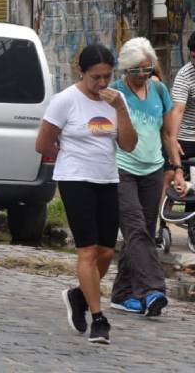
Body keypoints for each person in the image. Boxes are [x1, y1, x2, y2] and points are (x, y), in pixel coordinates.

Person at [36, 44, 137, 344]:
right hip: (75, 179)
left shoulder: (116, 101)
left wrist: (119, 108)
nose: (102, 84)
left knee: (107, 252)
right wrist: (69, 156)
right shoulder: (65, 100)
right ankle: (98, 318)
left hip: (106, 179)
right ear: (81, 72)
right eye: (96, 77)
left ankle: (78, 295)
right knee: (88, 251)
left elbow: (129, 145)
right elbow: (43, 144)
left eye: (107, 76)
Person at [109, 38, 183, 317]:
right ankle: (152, 290)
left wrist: (175, 169)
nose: (141, 75)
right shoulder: (115, 93)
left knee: (140, 233)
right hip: (122, 168)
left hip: (152, 170)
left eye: (146, 69)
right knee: (136, 229)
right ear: (125, 70)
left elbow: (167, 133)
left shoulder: (160, 90)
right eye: (135, 70)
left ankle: (122, 294)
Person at [169, 31, 195, 195]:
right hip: (186, 137)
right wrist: (173, 139)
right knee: (175, 179)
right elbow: (177, 110)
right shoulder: (185, 75)